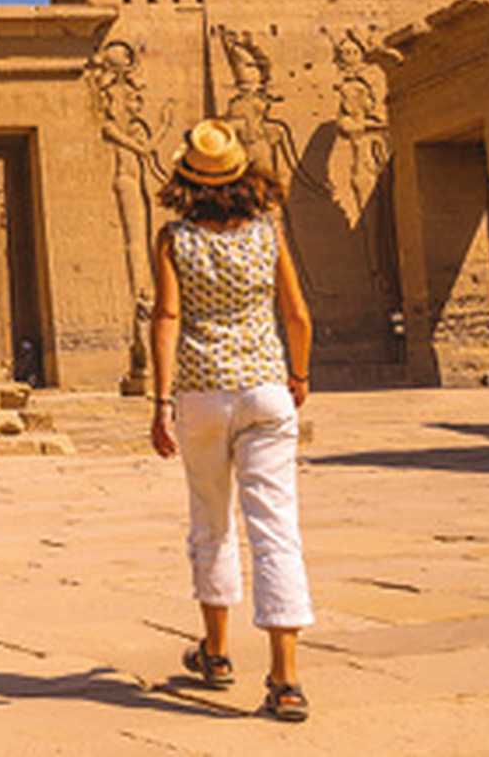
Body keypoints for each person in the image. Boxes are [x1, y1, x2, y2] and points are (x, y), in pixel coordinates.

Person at [148, 118, 315, 722]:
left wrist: (160, 401)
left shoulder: (174, 239)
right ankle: (286, 677)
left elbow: (167, 317)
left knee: (211, 521)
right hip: (267, 389)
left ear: (187, 181)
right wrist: (297, 375)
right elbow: (296, 314)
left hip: (201, 393)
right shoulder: (268, 234)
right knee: (276, 528)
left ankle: (217, 653)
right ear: (244, 176)